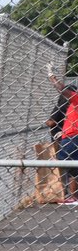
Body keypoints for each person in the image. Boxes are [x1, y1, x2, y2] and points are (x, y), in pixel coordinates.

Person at [48, 71, 78, 203]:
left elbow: (62, 90)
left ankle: (68, 195)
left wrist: (52, 78)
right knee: (72, 167)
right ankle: (73, 196)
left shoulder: (76, 99)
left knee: (63, 161)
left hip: (72, 137)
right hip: (70, 135)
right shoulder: (72, 104)